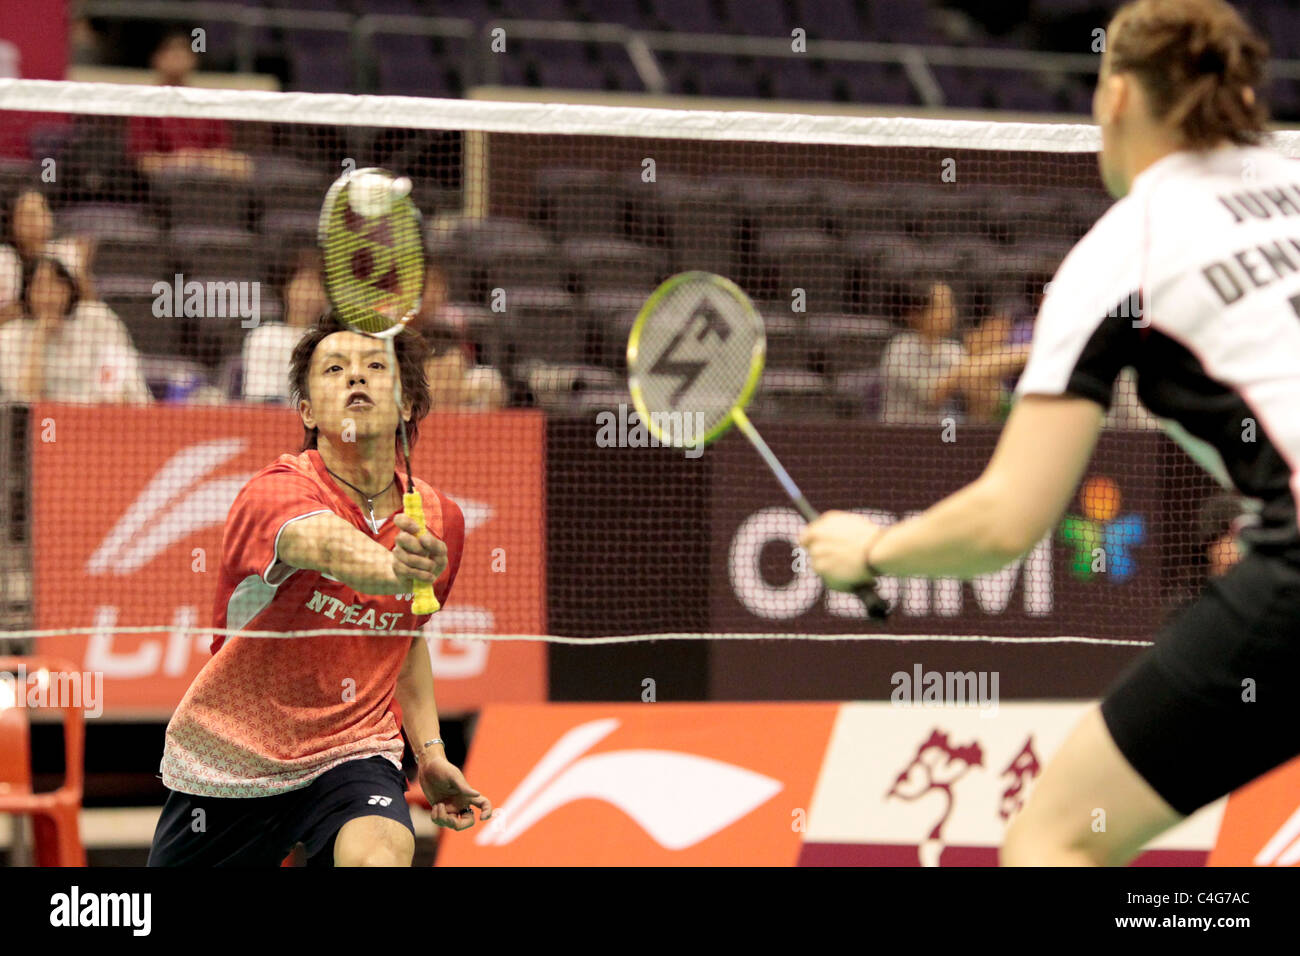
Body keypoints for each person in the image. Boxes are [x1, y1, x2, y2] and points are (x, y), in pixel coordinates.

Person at [801, 0, 1300, 866]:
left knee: (1054, 840)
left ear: (1113, 97)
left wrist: (873, 552)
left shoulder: (1123, 254)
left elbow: (1005, 522)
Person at [149, 315, 490, 866]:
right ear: (307, 411)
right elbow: (325, 545)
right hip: (237, 752)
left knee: (381, 851)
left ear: (406, 404)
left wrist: (429, 755)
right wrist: (396, 571)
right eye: (334, 369)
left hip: (355, 748)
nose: (356, 377)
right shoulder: (278, 491)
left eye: (376, 367)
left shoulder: (440, 518)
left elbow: (401, 640)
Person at [0, 255, 149, 403]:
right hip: (45, 423)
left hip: (97, 418)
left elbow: (128, 379)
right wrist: (39, 338)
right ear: (26, 292)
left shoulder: (98, 320)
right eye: (39, 286)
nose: (49, 295)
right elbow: (24, 401)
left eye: (56, 283)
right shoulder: (9, 337)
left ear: (69, 288)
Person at [879, 280, 1029, 424]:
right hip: (902, 438)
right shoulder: (900, 348)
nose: (951, 312)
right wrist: (979, 353)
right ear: (915, 314)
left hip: (946, 435)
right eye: (942, 307)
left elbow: (976, 379)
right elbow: (934, 393)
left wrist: (983, 356)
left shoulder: (951, 349)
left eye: (951, 305)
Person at [127, 32, 252, 181]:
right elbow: (145, 161)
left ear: (193, 59)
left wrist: (193, 158)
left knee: (242, 163)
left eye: (183, 50)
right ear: (156, 59)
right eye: (170, 50)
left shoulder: (207, 103)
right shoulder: (145, 105)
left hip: (206, 175)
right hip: (165, 179)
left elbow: (222, 151)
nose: (177, 56)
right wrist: (180, 161)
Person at [411, 263, 506, 411]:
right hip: (410, 388)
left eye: (439, 286)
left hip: (445, 391)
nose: (434, 293)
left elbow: (458, 360)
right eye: (427, 286)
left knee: (490, 381)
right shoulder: (393, 324)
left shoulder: (446, 325)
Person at [239, 253, 328, 402]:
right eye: (306, 283)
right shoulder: (265, 336)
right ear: (287, 288)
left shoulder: (330, 342)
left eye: (319, 286)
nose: (311, 294)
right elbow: (262, 399)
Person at [0, 189, 86, 324]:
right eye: (29, 215)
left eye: (43, 211)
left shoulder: (64, 252)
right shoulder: (4, 258)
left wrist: (81, 270)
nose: (38, 220)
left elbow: (87, 303)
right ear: (13, 222)